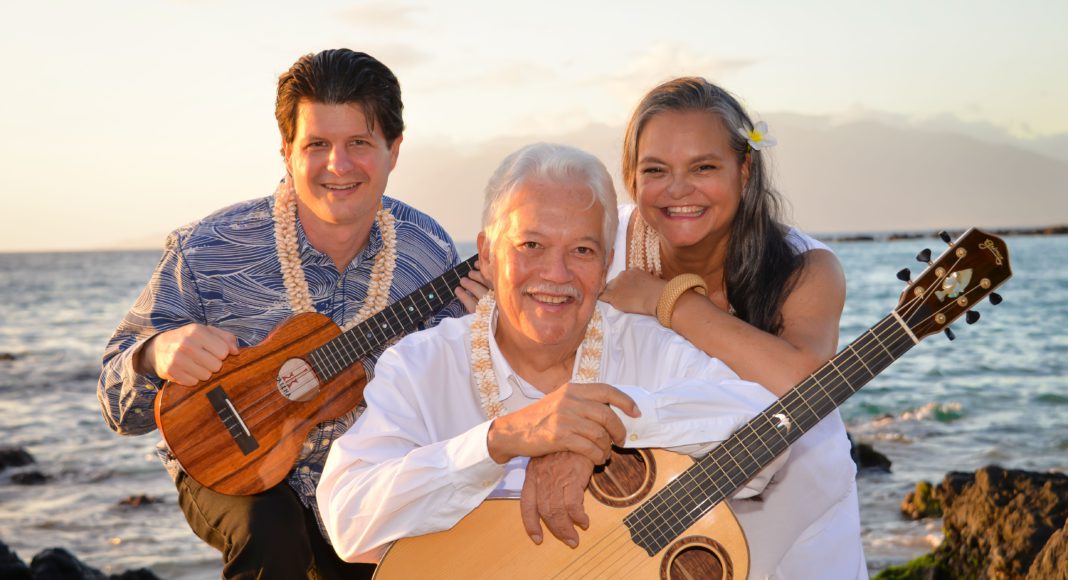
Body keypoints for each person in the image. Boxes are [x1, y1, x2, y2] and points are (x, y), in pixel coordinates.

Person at [316, 142, 795, 568]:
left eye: (582, 250)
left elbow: (768, 437)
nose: (556, 273)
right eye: (531, 245)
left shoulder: (646, 346)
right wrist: (497, 442)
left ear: (607, 263)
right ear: (486, 254)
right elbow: (347, 520)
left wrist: (609, 424)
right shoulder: (423, 364)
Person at [97, 49, 466, 579]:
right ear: (287, 153)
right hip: (229, 465)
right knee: (269, 532)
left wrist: (485, 330)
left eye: (359, 143)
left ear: (394, 150)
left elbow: (457, 392)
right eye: (317, 144)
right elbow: (115, 405)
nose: (338, 166)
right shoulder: (207, 250)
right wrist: (154, 355)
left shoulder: (428, 254)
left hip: (366, 477)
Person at [599, 77, 866, 578]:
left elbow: (802, 386)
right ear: (632, 178)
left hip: (794, 509)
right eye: (656, 170)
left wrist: (665, 300)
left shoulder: (804, 267)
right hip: (660, 522)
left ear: (744, 169)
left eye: (703, 167)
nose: (678, 190)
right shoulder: (602, 243)